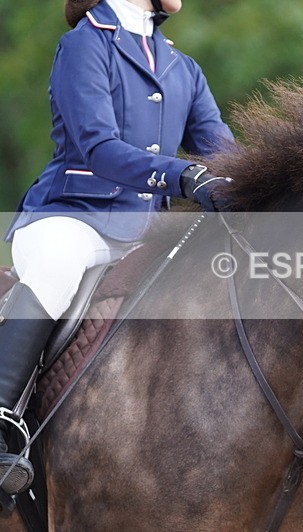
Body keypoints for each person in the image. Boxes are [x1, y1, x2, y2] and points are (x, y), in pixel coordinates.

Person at [0, 0, 233, 495]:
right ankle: (1, 417)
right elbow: (97, 145)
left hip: (146, 230)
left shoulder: (181, 66)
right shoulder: (83, 44)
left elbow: (221, 148)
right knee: (54, 271)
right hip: (71, 216)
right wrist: (185, 176)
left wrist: (264, 183)